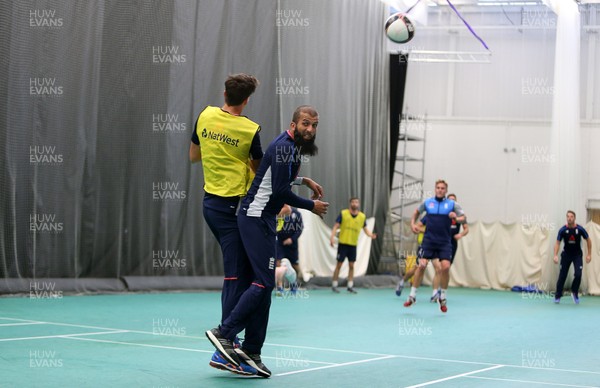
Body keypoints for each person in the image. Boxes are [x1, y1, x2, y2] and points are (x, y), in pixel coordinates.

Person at [205, 105, 329, 378]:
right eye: (306, 123)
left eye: (315, 125)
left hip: (264, 219)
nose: (310, 129)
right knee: (263, 282)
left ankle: (251, 351)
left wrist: (303, 179)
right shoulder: (285, 145)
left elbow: (278, 175)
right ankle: (224, 333)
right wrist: (311, 205)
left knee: (264, 286)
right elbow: (280, 189)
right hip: (254, 217)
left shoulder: (291, 147)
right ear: (294, 124)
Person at [189, 73, 262, 375]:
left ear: (224, 94)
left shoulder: (205, 115)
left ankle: (232, 340)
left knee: (241, 272)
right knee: (235, 274)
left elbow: (194, 156)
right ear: (246, 100)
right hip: (234, 207)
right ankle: (225, 344)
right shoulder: (250, 129)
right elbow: (258, 172)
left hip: (210, 204)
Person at [403, 180, 465, 313]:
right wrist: (413, 224)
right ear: (435, 189)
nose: (440, 190)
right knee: (421, 265)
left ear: (446, 191)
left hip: (444, 242)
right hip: (428, 241)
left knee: (445, 267)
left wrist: (456, 217)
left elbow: (463, 218)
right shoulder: (428, 203)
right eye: (438, 188)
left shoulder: (452, 204)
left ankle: (442, 297)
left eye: (443, 188)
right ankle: (412, 296)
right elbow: (416, 212)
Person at [330, 198, 377, 294]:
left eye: (356, 202)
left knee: (352, 265)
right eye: (353, 202)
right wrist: (332, 238)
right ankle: (334, 285)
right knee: (339, 264)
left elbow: (365, 229)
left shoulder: (362, 216)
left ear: (358, 204)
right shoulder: (343, 213)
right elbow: (335, 226)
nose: (354, 204)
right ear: (350, 203)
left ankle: (350, 286)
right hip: (343, 244)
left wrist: (371, 235)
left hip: (353, 245)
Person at [429, 193, 469, 302]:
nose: (452, 202)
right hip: (439, 242)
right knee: (438, 268)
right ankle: (434, 293)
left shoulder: (459, 215)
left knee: (445, 269)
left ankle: (442, 292)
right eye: (450, 200)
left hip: (451, 244)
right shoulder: (442, 212)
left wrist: (460, 235)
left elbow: (466, 228)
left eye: (454, 201)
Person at [553, 210, 592, 304]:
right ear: (566, 218)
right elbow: (557, 243)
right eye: (568, 216)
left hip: (577, 255)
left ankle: (574, 292)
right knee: (562, 275)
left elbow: (588, 240)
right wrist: (555, 255)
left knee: (578, 274)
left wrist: (589, 254)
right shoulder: (562, 230)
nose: (569, 218)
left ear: (574, 218)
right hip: (566, 255)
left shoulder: (580, 229)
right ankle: (558, 295)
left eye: (571, 216)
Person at [276, 204, 304, 290]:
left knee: (295, 264)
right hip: (279, 242)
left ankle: (294, 283)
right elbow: (276, 227)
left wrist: (291, 239)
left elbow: (299, 229)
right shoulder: (278, 212)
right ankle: (279, 287)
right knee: (278, 262)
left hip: (292, 243)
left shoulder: (297, 214)